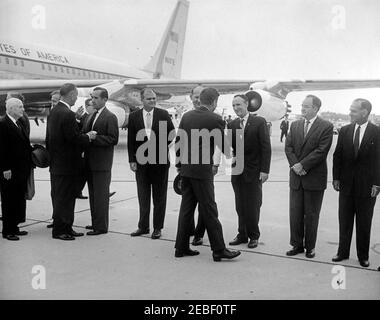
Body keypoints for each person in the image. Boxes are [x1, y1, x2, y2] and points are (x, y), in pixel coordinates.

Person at [174, 87, 241, 262]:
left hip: (187, 170)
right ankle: (219, 249)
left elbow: (179, 141)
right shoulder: (215, 119)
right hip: (202, 172)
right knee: (210, 209)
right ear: (213, 102)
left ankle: (180, 247)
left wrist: (179, 166)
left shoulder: (187, 116)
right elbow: (224, 145)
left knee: (186, 210)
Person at [332, 98, 380, 268]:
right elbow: (337, 156)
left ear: (364, 112)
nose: (350, 113)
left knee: (364, 222)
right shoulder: (345, 130)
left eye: (353, 110)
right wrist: (336, 178)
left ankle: (363, 255)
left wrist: (377, 183)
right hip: (346, 185)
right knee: (344, 220)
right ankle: (342, 252)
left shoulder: (377, 132)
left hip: (367, 188)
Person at [285, 95, 333, 258]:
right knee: (295, 213)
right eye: (302, 105)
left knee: (312, 215)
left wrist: (302, 165)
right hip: (297, 178)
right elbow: (289, 147)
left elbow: (321, 150)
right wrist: (295, 165)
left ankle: (310, 247)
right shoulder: (295, 124)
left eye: (306, 106)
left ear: (315, 108)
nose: (302, 108)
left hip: (313, 178)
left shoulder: (326, 126)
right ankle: (296, 245)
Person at [46, 83, 96, 241]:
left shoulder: (54, 112)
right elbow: (73, 138)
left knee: (63, 197)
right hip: (67, 165)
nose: (76, 99)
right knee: (65, 199)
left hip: (58, 163)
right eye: (75, 96)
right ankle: (60, 231)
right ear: (70, 95)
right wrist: (89, 136)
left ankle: (67, 227)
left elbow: (53, 138)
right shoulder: (67, 113)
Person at [127, 88, 175, 239]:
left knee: (159, 197)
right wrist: (132, 159)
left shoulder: (163, 114)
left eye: (154, 98)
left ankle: (157, 228)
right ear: (142, 100)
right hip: (141, 163)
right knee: (143, 195)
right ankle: (143, 226)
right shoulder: (134, 116)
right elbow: (130, 140)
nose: (153, 101)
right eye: (149, 99)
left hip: (160, 162)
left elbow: (171, 134)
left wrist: (159, 146)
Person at [228, 94, 271, 249]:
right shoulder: (232, 124)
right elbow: (230, 148)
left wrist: (265, 170)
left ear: (246, 104)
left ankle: (254, 235)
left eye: (238, 104)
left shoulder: (259, 122)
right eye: (233, 105)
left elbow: (266, 147)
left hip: (254, 171)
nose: (236, 108)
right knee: (240, 204)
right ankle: (242, 234)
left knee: (253, 204)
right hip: (237, 171)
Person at [81, 87, 119, 235]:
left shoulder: (110, 117)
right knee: (93, 194)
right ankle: (95, 222)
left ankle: (101, 227)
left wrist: (96, 138)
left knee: (101, 196)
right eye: (92, 97)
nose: (93, 100)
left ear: (105, 100)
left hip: (102, 164)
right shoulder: (91, 116)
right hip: (90, 162)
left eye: (96, 98)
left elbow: (113, 139)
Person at [0, 98, 32, 241]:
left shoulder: (18, 123)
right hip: (10, 170)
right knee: (9, 199)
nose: (23, 109)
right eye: (20, 107)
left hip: (20, 169)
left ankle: (15, 227)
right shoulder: (3, 124)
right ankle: (8, 230)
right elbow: (2, 149)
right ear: (11, 109)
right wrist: (5, 168)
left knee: (18, 198)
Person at [188, 85, 206, 246]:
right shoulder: (186, 116)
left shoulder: (211, 116)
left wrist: (214, 165)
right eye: (196, 96)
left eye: (201, 96)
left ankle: (199, 234)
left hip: (204, 169)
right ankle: (189, 229)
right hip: (188, 168)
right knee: (188, 203)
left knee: (204, 204)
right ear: (191, 97)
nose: (198, 99)